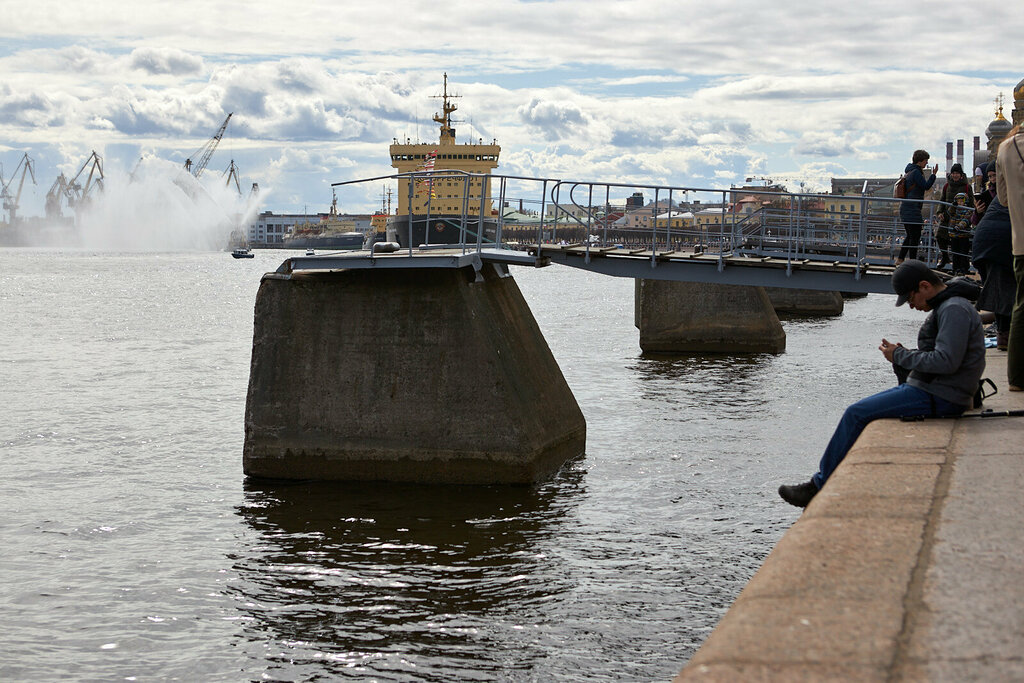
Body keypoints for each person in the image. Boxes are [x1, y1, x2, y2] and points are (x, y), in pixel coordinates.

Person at [778, 260, 985, 508]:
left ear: (925, 286)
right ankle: (821, 482)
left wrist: (900, 355)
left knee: (856, 414)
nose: (911, 306)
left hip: (941, 395)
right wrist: (903, 354)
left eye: (911, 299)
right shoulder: (951, 306)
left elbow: (946, 361)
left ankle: (818, 486)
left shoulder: (953, 309)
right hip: (936, 389)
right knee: (864, 411)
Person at [997, 124, 1024, 390]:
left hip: (1021, 243)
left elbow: (1003, 199)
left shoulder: (1005, 148)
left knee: (1021, 306)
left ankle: (1016, 378)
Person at [972, 194, 1015, 349]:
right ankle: (1006, 336)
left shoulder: (1006, 191)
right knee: (1010, 290)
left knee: (998, 292)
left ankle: (1003, 335)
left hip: (982, 240)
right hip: (1005, 239)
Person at [897, 150, 938, 263]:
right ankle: (912, 262)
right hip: (912, 209)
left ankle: (900, 259)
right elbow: (926, 186)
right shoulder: (916, 172)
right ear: (920, 161)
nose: (926, 163)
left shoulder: (909, 171)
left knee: (910, 236)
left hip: (906, 208)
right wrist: (933, 175)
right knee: (914, 237)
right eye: (925, 161)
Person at [936, 163, 975, 269]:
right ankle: (945, 257)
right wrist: (939, 213)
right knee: (940, 236)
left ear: (961, 174)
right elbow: (942, 200)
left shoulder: (967, 187)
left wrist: (967, 217)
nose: (955, 175)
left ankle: (961, 266)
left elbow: (971, 204)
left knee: (960, 244)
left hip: (960, 219)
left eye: (957, 173)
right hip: (947, 216)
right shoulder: (946, 186)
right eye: (953, 173)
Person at [947, 192, 975, 275]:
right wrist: (953, 205)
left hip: (963, 235)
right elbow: (949, 212)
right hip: (954, 235)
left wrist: (959, 227)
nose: (960, 203)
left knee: (963, 253)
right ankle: (955, 268)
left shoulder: (968, 210)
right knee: (955, 253)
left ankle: (964, 268)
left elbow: (966, 220)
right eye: (958, 201)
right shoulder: (954, 209)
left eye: (961, 201)